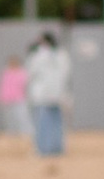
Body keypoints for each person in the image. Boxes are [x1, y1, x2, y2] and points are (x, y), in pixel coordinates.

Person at [23, 26, 70, 159]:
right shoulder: (62, 55)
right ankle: (57, 148)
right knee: (57, 123)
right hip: (58, 94)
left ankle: (42, 149)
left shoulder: (38, 56)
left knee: (42, 124)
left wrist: (30, 54)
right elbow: (66, 74)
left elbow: (30, 73)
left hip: (42, 95)